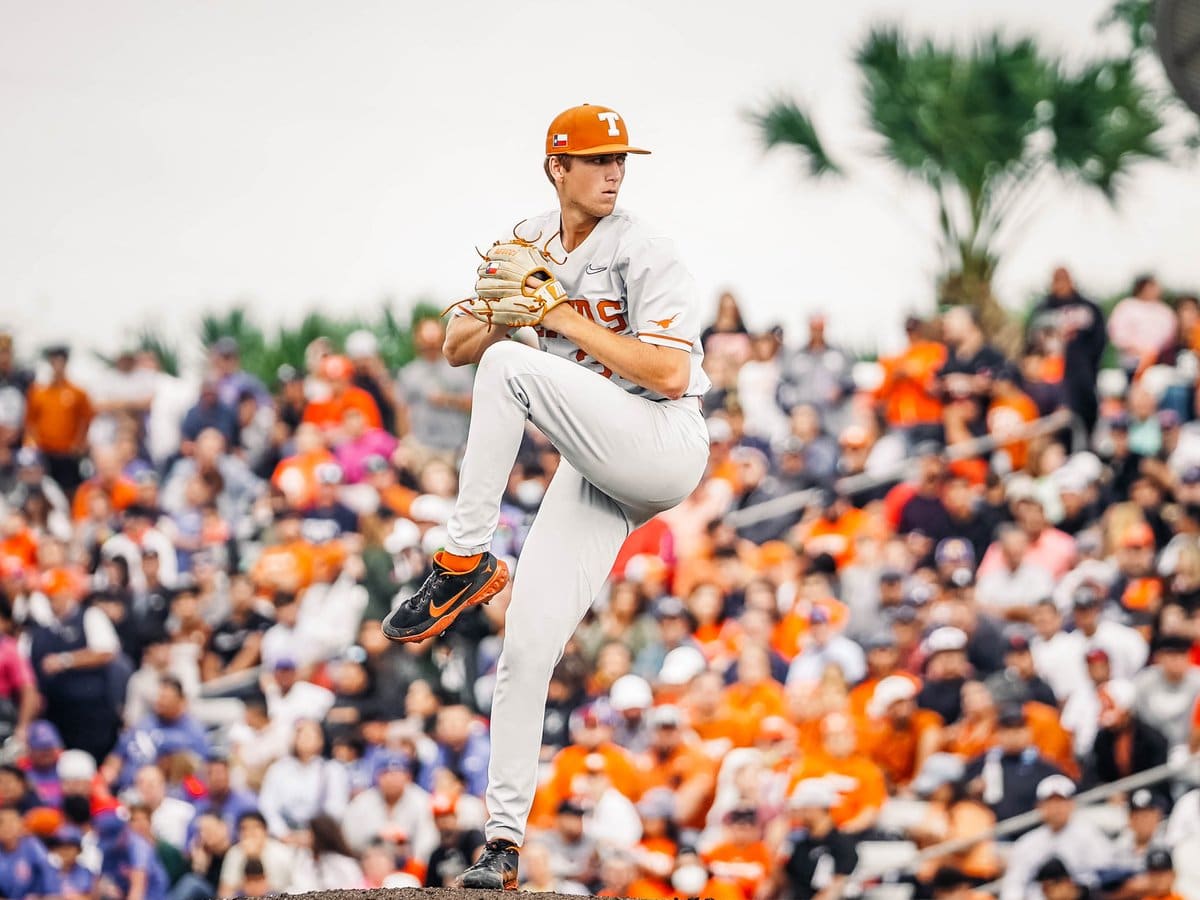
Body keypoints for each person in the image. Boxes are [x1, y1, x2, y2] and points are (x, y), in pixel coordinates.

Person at [382, 103, 710, 890]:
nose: (613, 172)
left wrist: (553, 314)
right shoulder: (527, 240)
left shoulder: (645, 247)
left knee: (512, 370)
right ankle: (501, 841)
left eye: (620, 159)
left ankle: (461, 558)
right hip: (596, 464)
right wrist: (502, 308)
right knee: (524, 650)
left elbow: (669, 374)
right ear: (555, 168)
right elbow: (461, 348)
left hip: (664, 441)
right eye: (596, 160)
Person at [999, 776, 1112, 900]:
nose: (1056, 808)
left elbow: (1103, 874)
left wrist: (1074, 889)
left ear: (1071, 804)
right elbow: (1014, 883)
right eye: (1050, 803)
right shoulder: (1027, 842)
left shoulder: (1089, 835)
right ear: (1039, 806)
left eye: (1060, 802)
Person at [1027, 267, 1107, 432]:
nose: (1061, 284)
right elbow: (1031, 343)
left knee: (1085, 412)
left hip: (1082, 373)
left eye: (1065, 279)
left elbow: (1100, 340)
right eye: (1057, 279)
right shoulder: (1042, 309)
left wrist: (1088, 363)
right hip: (1051, 374)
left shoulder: (1088, 307)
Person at [396, 317, 475, 468]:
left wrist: (448, 400)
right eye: (426, 345)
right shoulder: (408, 373)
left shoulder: (461, 369)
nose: (430, 349)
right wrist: (405, 443)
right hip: (421, 446)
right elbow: (402, 410)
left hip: (455, 445)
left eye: (434, 344)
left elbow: (474, 403)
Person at [23, 345, 93, 496]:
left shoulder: (77, 392)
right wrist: (32, 442)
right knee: (43, 490)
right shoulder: (39, 392)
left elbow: (87, 420)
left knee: (69, 489)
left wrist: (80, 443)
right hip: (44, 450)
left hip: (67, 452)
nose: (57, 366)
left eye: (60, 362)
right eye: (54, 362)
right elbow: (30, 421)